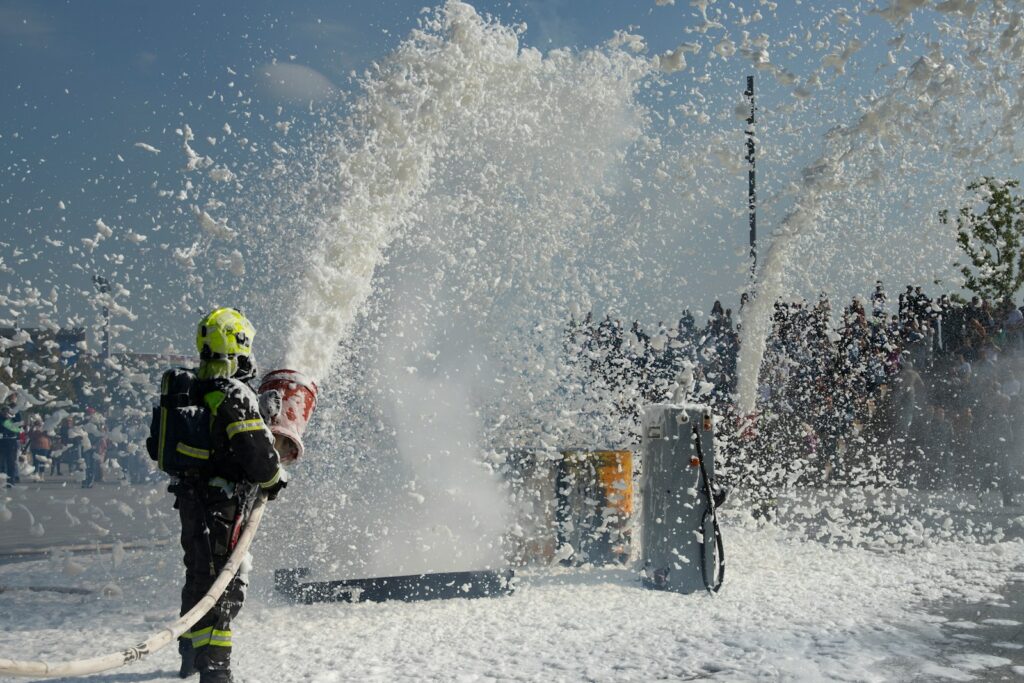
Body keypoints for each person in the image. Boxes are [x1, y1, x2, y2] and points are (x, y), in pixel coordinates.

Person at [172, 308, 287, 682]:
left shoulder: (197, 387)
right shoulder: (233, 393)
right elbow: (257, 458)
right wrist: (274, 479)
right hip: (221, 508)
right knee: (223, 586)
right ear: (239, 347)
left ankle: (190, 655)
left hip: (192, 501)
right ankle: (216, 670)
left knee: (198, 577)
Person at [1, 393, 23, 486]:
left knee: (11, 462)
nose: (6, 413)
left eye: (7, 412)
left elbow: (19, 425)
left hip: (11, 440)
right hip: (2, 441)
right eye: (4, 412)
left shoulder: (14, 419)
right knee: (1, 462)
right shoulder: (0, 419)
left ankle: (11, 480)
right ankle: (3, 480)